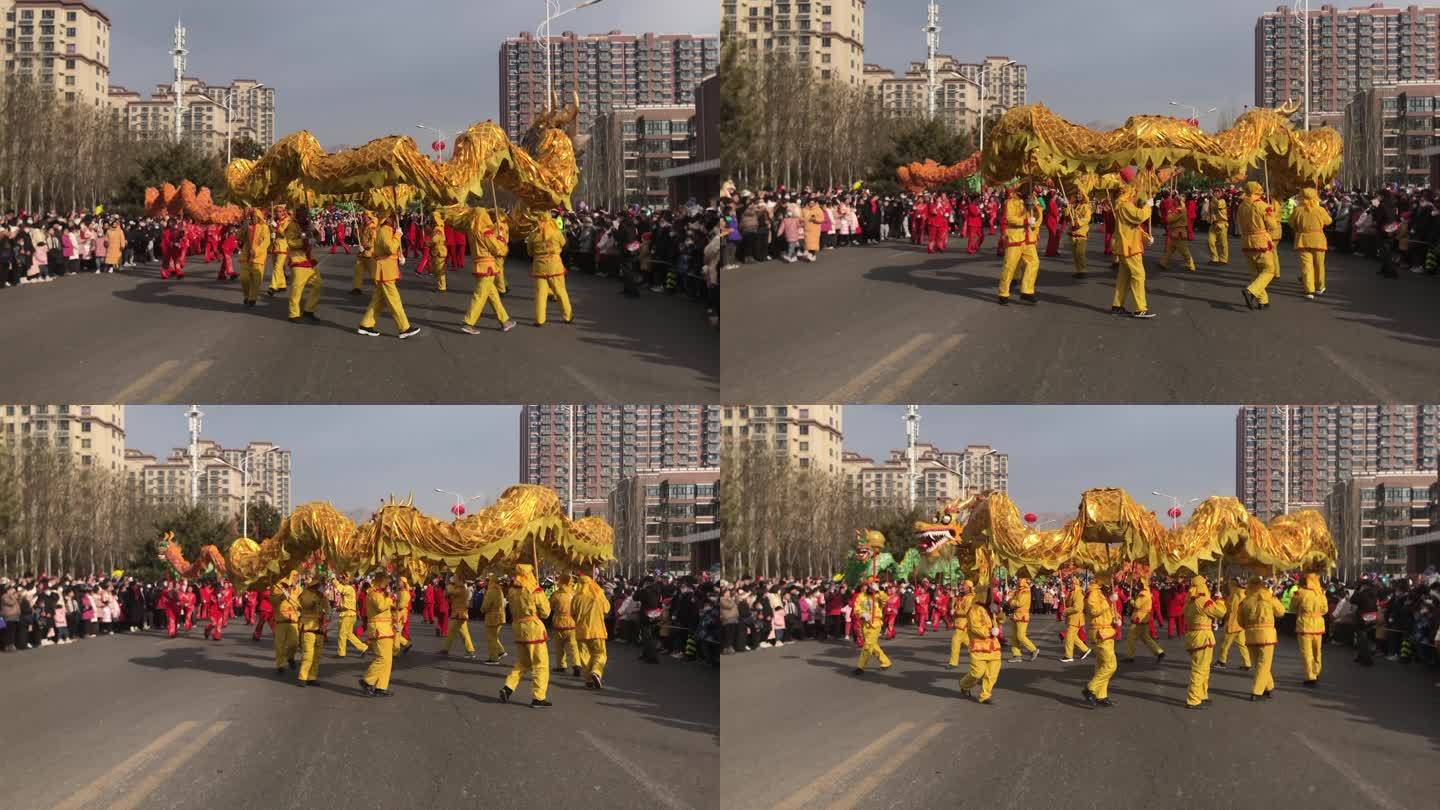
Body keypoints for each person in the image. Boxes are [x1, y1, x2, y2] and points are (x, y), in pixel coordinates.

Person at [357, 212, 421, 339]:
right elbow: (390, 248)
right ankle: (404, 328)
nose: (396, 221)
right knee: (395, 301)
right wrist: (398, 235)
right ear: (390, 219)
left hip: (385, 270)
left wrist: (400, 255)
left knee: (378, 301)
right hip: (386, 271)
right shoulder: (385, 230)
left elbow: (383, 250)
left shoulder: (383, 230)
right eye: (394, 218)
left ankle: (365, 325)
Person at [499, 564, 553, 708]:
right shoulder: (534, 590)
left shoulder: (511, 590)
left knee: (523, 663)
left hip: (518, 628)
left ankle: (508, 687)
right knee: (540, 664)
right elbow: (546, 612)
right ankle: (538, 697)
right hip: (533, 629)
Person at [460, 209, 516, 333]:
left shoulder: (472, 231)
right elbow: (498, 250)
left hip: (478, 264)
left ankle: (504, 320)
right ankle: (469, 322)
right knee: (480, 295)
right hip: (487, 265)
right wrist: (501, 240)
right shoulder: (486, 232)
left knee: (493, 295)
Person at [1112, 178, 1156, 318]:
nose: (1136, 194)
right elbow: (1139, 217)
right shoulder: (1125, 206)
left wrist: (1146, 238)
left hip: (1128, 246)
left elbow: (1134, 227)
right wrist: (1148, 206)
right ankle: (1140, 308)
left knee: (1124, 277)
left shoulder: (1124, 206)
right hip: (1130, 247)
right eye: (1134, 191)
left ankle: (1117, 305)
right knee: (1139, 275)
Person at [1182, 575, 1226, 709]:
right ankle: (1193, 699)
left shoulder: (1189, 600)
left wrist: (1209, 624)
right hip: (1202, 638)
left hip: (1193, 635)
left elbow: (1198, 618)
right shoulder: (1203, 600)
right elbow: (1221, 612)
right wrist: (1219, 599)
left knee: (1204, 668)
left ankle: (1202, 694)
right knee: (1200, 669)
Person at [1239, 576, 1285, 700]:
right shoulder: (1269, 598)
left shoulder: (1245, 602)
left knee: (1258, 664)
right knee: (1264, 664)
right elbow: (1281, 612)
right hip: (1267, 636)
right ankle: (1256, 691)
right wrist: (1274, 598)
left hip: (1250, 635)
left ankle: (1269, 687)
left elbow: (1240, 622)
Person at [997, 184, 1042, 305]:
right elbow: (1010, 218)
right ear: (1021, 188)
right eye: (1028, 188)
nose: (1030, 189)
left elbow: (1039, 218)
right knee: (1010, 266)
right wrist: (1025, 220)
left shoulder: (1033, 199)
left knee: (1034, 262)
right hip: (1015, 238)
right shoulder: (1011, 201)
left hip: (1029, 239)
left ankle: (1027, 291)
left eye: (1031, 188)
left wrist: (1036, 207)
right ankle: (1003, 293)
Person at [958, 584, 1001, 704]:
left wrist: (998, 611)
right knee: (977, 673)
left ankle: (985, 695)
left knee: (992, 674)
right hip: (979, 647)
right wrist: (989, 632)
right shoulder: (974, 609)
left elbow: (1001, 619)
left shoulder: (991, 608)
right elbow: (974, 627)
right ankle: (964, 684)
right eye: (989, 594)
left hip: (994, 647)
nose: (991, 596)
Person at [528, 213, 574, 326]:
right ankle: (568, 316)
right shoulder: (557, 233)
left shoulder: (533, 235)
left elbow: (529, 252)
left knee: (540, 294)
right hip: (555, 266)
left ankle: (539, 319)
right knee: (560, 291)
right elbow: (563, 244)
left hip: (539, 267)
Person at [1082, 576, 1121, 707]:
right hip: (1100, 633)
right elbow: (1094, 611)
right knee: (1110, 666)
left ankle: (1101, 695)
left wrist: (1117, 619)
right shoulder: (1093, 593)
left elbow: (1111, 612)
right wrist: (1109, 601)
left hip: (1107, 632)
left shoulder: (1104, 592)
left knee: (1101, 665)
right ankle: (1090, 689)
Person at [1239, 182, 1279, 310]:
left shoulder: (1241, 206)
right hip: (1260, 241)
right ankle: (1251, 291)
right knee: (1268, 270)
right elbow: (1272, 226)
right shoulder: (1263, 206)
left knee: (1255, 273)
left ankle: (1263, 301)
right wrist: (1273, 215)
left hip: (1246, 241)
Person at [1291, 187, 1332, 299]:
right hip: (1318, 240)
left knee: (1306, 266)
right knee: (1319, 265)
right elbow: (1329, 221)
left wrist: (1299, 228)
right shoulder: (1320, 209)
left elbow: (1291, 223)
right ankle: (1320, 287)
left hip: (1302, 240)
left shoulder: (1298, 210)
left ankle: (1309, 290)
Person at [359, 572, 396, 697]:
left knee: (388, 660)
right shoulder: (374, 593)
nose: (387, 585)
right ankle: (367, 681)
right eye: (386, 582)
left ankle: (381, 687)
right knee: (382, 658)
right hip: (379, 629)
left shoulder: (381, 594)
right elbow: (381, 606)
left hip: (386, 629)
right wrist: (390, 599)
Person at [283, 207, 322, 323]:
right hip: (298, 260)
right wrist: (304, 240)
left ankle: (309, 310)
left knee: (318, 285)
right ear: (296, 214)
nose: (303, 215)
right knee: (297, 288)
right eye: (300, 213)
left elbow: (318, 238)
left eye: (305, 213)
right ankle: (293, 314)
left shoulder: (309, 224)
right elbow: (290, 242)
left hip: (310, 260)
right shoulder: (292, 226)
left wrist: (314, 233)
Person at [573, 573, 610, 688]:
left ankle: (588, 679)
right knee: (600, 653)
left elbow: (572, 614)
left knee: (585, 657)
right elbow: (607, 609)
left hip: (581, 631)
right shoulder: (598, 594)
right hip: (597, 630)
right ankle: (596, 671)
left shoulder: (576, 597)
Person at [1292, 572, 1326, 686]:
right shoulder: (1320, 593)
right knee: (1317, 651)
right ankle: (1316, 671)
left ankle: (1311, 676)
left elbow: (1292, 607)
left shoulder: (1300, 593)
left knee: (1307, 653)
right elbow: (1325, 610)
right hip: (1318, 626)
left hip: (1304, 626)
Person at [852, 579, 891, 675]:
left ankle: (860, 666)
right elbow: (856, 609)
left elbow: (886, 599)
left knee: (868, 645)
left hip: (876, 623)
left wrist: (878, 590)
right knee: (873, 645)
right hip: (865, 624)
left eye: (868, 585)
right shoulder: (860, 597)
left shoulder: (877, 595)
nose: (866, 587)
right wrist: (862, 614)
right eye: (865, 585)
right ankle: (885, 662)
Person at [1123, 577, 1166, 662]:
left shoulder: (1142, 593)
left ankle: (1130, 656)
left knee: (1131, 638)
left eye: (1140, 583)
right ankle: (1159, 651)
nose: (1138, 584)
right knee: (1146, 638)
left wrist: (1131, 600)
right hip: (1144, 618)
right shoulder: (1147, 593)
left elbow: (1137, 605)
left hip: (1139, 618)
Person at [297, 575, 328, 687]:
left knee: (317, 655)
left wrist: (324, 598)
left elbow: (327, 609)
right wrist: (316, 598)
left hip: (319, 628)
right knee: (308, 655)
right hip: (308, 628)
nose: (321, 586)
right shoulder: (306, 594)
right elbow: (306, 603)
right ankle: (302, 677)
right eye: (319, 584)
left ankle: (312, 677)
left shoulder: (322, 595)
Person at [1216, 578, 1252, 669]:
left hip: (1233, 623)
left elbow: (1232, 610)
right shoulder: (1244, 593)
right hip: (1241, 624)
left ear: (1233, 584)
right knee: (1242, 645)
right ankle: (1247, 664)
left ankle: (1221, 661)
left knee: (1225, 644)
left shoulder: (1235, 594)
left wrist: (1219, 600)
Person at [550, 574, 581, 676]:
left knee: (559, 647)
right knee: (573, 646)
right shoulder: (575, 594)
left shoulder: (556, 594)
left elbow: (550, 606)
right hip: (572, 623)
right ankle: (577, 664)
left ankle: (561, 665)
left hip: (559, 623)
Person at [270, 576, 300, 676]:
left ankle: (290, 657)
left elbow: (302, 605)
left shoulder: (297, 593)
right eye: (285, 585)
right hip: (281, 623)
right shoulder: (275, 592)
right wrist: (281, 597)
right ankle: (280, 665)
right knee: (280, 646)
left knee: (294, 644)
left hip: (293, 623)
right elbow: (273, 602)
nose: (287, 587)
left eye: (289, 585)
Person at [440, 574, 475, 657]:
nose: (454, 581)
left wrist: (447, 583)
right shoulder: (458, 589)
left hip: (459, 614)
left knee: (452, 632)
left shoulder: (462, 589)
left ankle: (445, 649)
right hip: (458, 614)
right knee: (463, 633)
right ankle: (470, 650)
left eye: (455, 579)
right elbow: (448, 597)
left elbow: (450, 592)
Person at [334, 575, 368, 657]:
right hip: (348, 614)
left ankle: (341, 653)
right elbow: (346, 603)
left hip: (348, 615)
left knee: (342, 634)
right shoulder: (349, 588)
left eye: (342, 578)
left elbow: (341, 589)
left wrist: (334, 581)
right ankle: (363, 647)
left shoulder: (348, 588)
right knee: (349, 634)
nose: (340, 580)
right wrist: (340, 608)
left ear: (346, 580)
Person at [1061, 575, 1091, 662]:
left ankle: (1068, 656)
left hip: (1076, 619)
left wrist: (1066, 611)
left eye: (1070, 583)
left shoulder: (1079, 592)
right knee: (1073, 637)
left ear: (1075, 583)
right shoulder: (1072, 592)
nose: (1069, 585)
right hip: (1072, 619)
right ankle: (1085, 649)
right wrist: (1062, 597)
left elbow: (1077, 608)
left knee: (1069, 638)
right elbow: (1067, 603)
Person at [1008, 576, 1038, 662]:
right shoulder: (1019, 591)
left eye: (1019, 580)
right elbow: (1015, 600)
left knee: (1020, 636)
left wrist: (1010, 601)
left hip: (1022, 616)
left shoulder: (1025, 591)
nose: (1018, 581)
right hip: (1016, 616)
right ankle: (1017, 655)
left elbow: (1019, 603)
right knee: (1014, 637)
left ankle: (1033, 650)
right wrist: (1011, 596)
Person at [481, 573, 508, 664]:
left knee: (491, 637)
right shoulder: (499, 589)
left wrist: (482, 609)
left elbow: (486, 604)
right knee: (494, 636)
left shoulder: (491, 590)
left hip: (492, 617)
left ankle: (493, 657)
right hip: (500, 615)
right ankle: (501, 651)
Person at [1163, 197, 1196, 271]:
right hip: (1175, 232)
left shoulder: (1180, 210)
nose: (1174, 202)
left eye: (1175, 200)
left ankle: (1191, 265)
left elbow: (1169, 219)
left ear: (1179, 201)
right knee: (1169, 249)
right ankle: (1163, 262)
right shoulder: (1180, 208)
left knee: (1184, 250)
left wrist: (1169, 212)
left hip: (1179, 233)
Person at [947, 581, 973, 669]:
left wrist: (955, 612)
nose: (962, 587)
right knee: (968, 643)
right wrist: (952, 599)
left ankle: (953, 663)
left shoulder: (969, 598)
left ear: (969, 588)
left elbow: (966, 611)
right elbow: (953, 607)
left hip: (964, 623)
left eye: (964, 586)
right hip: (959, 623)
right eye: (962, 585)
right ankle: (978, 654)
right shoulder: (961, 597)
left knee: (955, 641)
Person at [1067, 194, 1092, 278]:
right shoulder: (1073, 205)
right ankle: (1078, 270)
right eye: (1077, 195)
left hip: (1081, 232)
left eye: (1080, 195)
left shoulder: (1086, 207)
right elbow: (1066, 213)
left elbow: (1087, 219)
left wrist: (1078, 223)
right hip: (1073, 232)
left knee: (1080, 252)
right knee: (1075, 254)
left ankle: (1083, 270)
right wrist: (1068, 204)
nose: (1078, 196)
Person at [1207, 189, 1230, 265]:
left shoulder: (1222, 201)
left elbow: (1218, 205)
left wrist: (1212, 197)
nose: (1216, 193)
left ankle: (1224, 259)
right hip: (1213, 224)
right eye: (1215, 192)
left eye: (1218, 192)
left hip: (1222, 224)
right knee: (1210, 241)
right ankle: (1214, 258)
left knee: (1223, 243)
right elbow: (1210, 212)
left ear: (1221, 194)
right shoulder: (1212, 201)